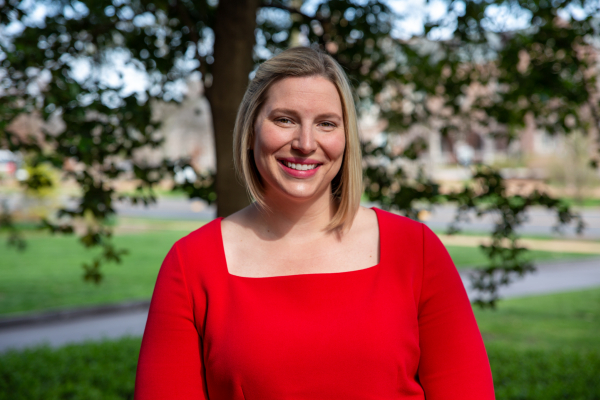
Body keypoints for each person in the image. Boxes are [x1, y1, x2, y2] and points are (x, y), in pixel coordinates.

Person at [134, 47, 495, 399]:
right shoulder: (192, 263)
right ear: (250, 131)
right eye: (285, 119)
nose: (305, 143)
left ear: (346, 138)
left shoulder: (414, 250)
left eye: (326, 124)